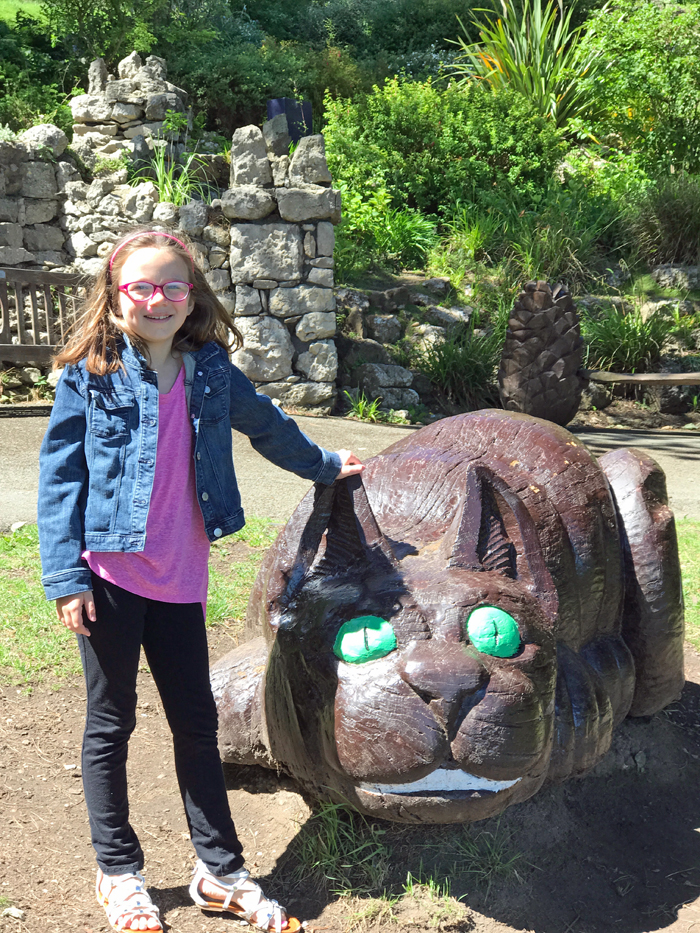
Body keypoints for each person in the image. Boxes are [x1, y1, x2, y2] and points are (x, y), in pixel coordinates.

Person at [38, 228, 364, 933]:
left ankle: (219, 871)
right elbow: (59, 478)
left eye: (172, 287)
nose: (158, 300)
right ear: (116, 295)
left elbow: (267, 426)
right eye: (142, 287)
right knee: (110, 723)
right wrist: (66, 576)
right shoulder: (87, 374)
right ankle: (119, 871)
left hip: (180, 578)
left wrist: (324, 464)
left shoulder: (210, 370)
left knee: (197, 721)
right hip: (108, 577)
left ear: (192, 297)